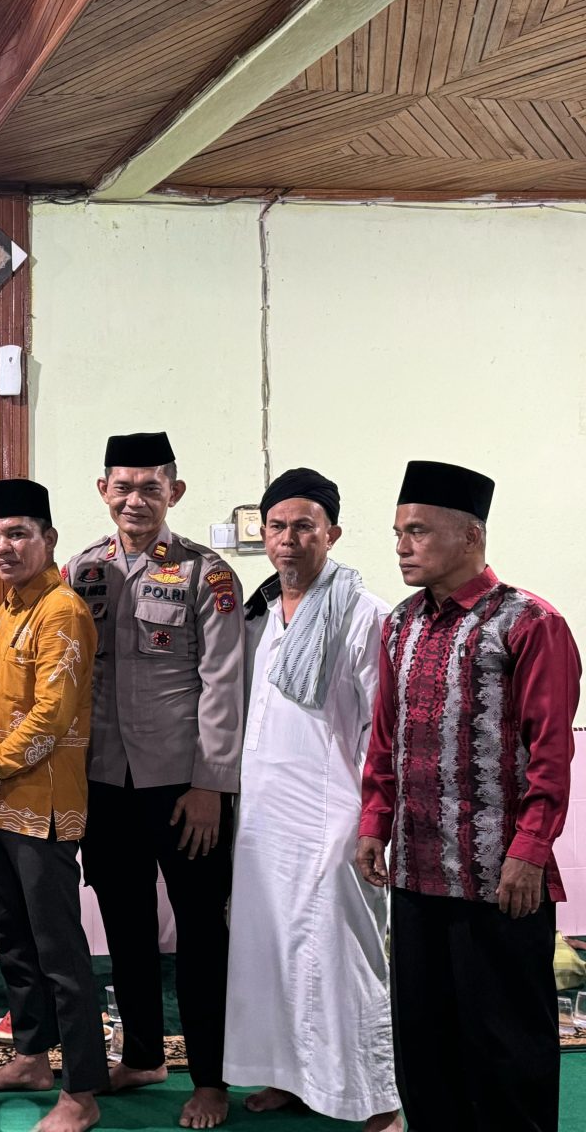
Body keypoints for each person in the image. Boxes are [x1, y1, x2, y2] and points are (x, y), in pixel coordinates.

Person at [357, 461, 579, 1132]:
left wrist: (530, 851)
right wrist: (374, 823)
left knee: (507, 1047)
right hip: (416, 871)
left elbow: (551, 752)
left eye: (418, 531)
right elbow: (386, 738)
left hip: (498, 877)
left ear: (470, 535)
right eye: (398, 532)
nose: (403, 546)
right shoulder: (400, 624)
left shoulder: (530, 622)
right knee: (424, 1045)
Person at [64, 431, 243, 1130]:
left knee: (201, 933)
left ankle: (212, 1079)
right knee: (126, 924)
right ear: (103, 490)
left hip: (183, 786)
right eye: (123, 486)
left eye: (150, 487)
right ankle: (142, 1054)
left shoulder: (206, 573)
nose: (135, 500)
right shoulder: (82, 570)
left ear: (175, 492)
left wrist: (211, 784)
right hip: (106, 781)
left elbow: (223, 683)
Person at [221, 469, 400, 1130]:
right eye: (277, 526)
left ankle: (377, 1098)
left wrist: (373, 821)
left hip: (336, 814)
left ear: (333, 534)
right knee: (272, 948)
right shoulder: (260, 615)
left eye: (304, 527)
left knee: (341, 953)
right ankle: (293, 1079)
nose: (288, 539)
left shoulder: (364, 613)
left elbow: (382, 729)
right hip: (265, 816)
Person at [0, 479, 105, 1132]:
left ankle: (82, 1092)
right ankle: (33, 1059)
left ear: (49, 539)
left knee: (60, 954)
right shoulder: (13, 607)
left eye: (17, 534)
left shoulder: (62, 610)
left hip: (41, 811)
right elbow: (9, 699)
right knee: (13, 942)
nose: (3, 547)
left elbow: (49, 718)